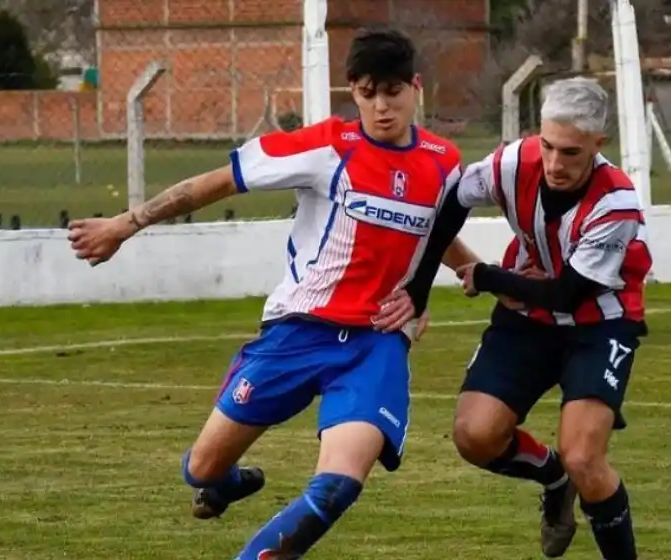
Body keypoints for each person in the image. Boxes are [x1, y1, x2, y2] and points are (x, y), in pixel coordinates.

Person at [67, 27, 469, 559]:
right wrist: (127, 222)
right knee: (202, 467)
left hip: (376, 342)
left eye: (393, 91)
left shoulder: (444, 164)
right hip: (297, 332)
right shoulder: (326, 147)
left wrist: (478, 275)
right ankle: (224, 483)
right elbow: (220, 181)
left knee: (337, 485)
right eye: (368, 93)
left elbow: (435, 234)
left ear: (415, 87)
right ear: (353, 92)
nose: (382, 106)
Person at [451, 77, 652, 559]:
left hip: (599, 324)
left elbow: (567, 293)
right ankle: (553, 479)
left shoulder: (616, 203)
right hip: (527, 318)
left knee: (585, 456)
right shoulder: (511, 163)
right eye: (547, 146)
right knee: (474, 437)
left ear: (598, 145)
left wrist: (490, 276)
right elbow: (443, 205)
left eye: (571, 153)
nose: (555, 164)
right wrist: (417, 297)